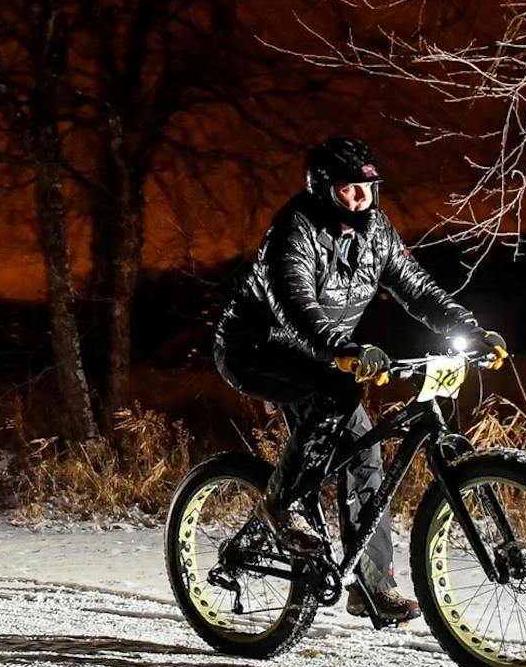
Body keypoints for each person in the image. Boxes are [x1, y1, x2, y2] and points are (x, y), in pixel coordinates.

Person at [213, 136, 500, 626]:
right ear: (323, 188)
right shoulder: (294, 229)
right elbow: (295, 305)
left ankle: (372, 588)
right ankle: (278, 507)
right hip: (256, 348)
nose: (360, 198)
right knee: (335, 396)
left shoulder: (378, 233)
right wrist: (343, 349)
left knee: (364, 451)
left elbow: (417, 289)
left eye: (368, 188)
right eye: (349, 189)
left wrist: (468, 329)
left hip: (321, 353)